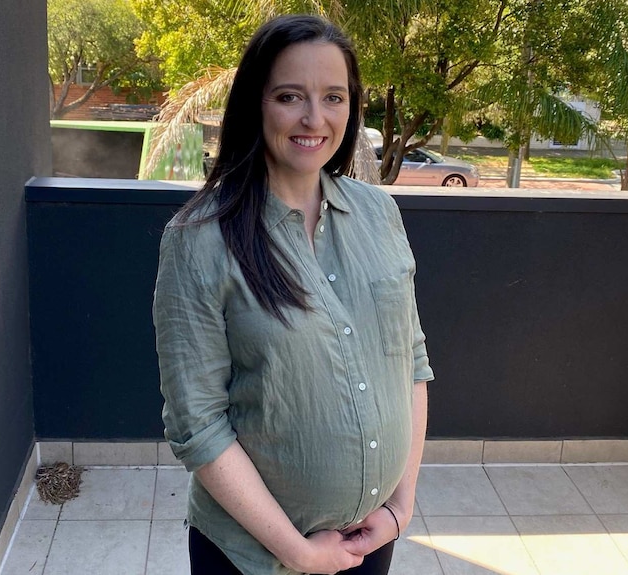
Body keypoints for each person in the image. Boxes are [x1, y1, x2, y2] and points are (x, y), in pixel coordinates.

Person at [152, 14, 433, 575]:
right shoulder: (199, 240)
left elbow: (411, 363)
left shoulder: (380, 213)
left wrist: (399, 508)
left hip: (369, 541)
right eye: (289, 96)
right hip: (253, 560)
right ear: (256, 103)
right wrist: (300, 553)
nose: (314, 119)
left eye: (333, 97)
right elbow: (198, 425)